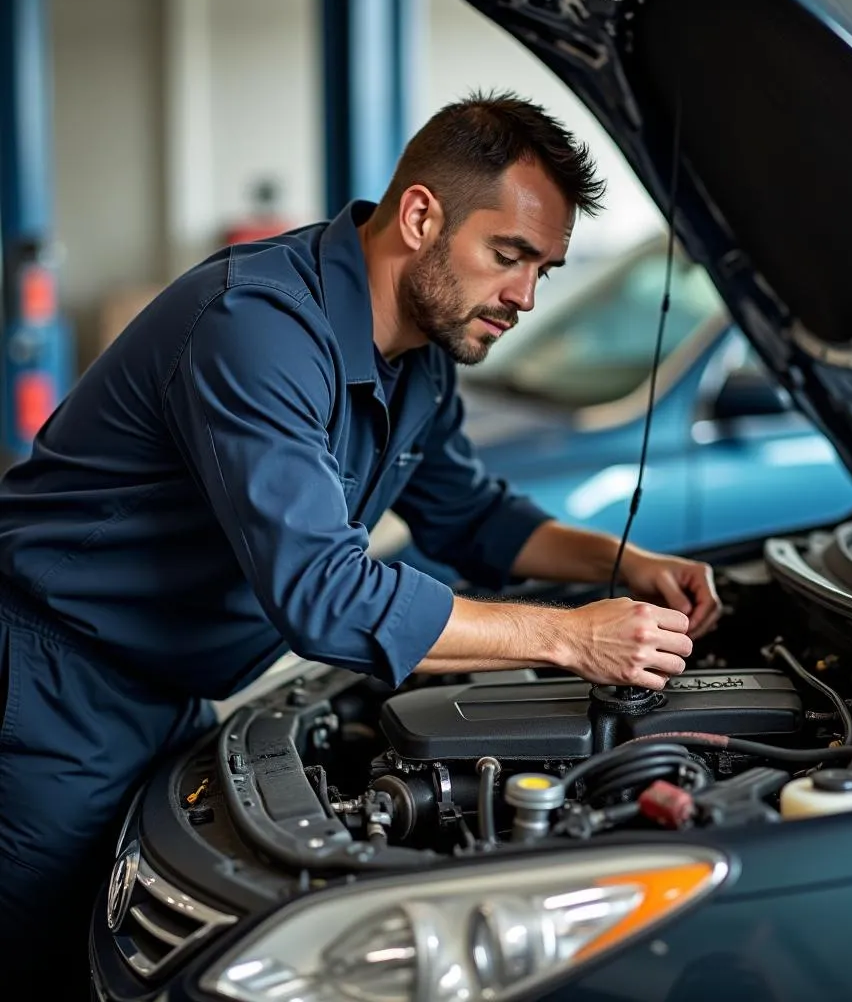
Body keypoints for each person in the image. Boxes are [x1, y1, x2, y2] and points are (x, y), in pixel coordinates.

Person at [0, 92, 720, 983]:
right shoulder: (256, 329)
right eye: (509, 255)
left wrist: (626, 566)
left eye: (546, 270)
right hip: (53, 685)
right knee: (48, 963)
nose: (525, 296)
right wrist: (571, 638)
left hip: (172, 688)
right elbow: (325, 595)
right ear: (420, 216)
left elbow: (475, 515)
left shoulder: (422, 356)